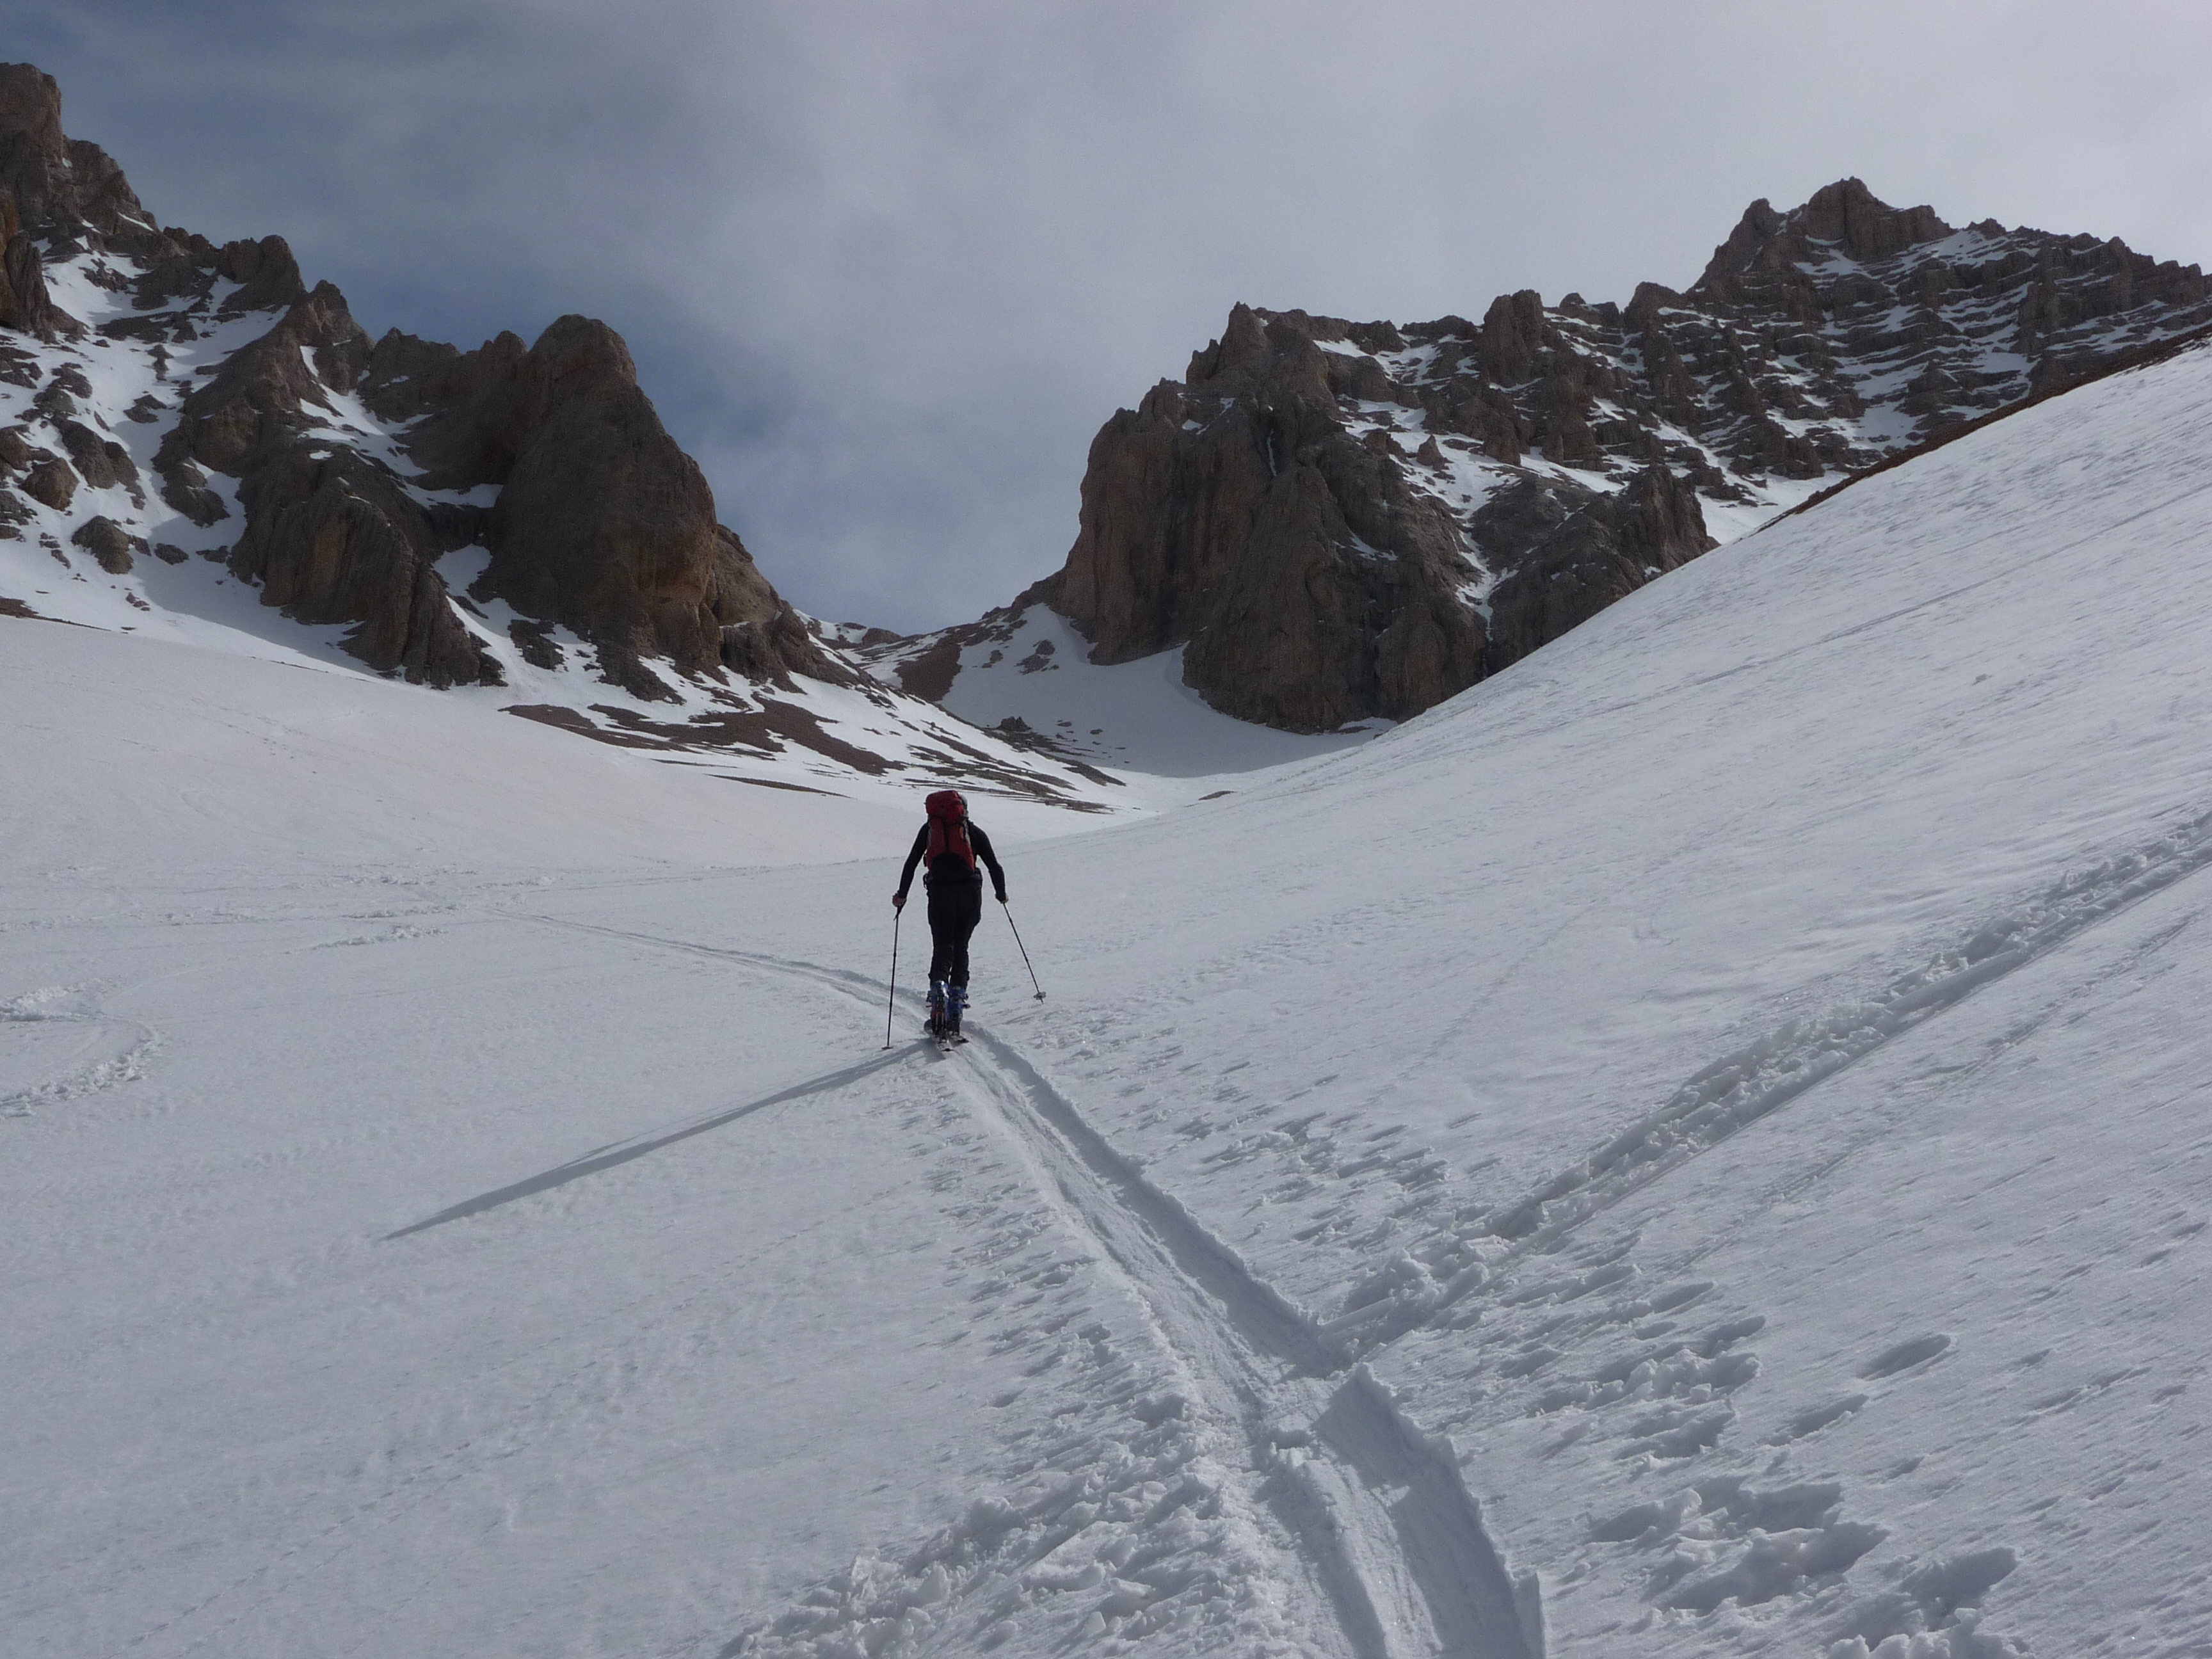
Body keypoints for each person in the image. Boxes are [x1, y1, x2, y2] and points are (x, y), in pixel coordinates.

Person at [894, 789, 1006, 1039]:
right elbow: (994, 865)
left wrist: (902, 894)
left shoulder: (929, 831)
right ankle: (956, 1002)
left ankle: (938, 999)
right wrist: (1001, 894)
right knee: (961, 947)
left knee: (943, 946)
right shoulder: (971, 831)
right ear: (962, 810)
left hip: (939, 893)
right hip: (970, 894)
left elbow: (911, 862)